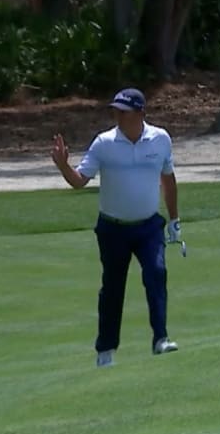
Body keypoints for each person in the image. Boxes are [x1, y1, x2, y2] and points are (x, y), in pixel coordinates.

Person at [50, 88, 181, 367]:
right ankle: (106, 350)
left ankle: (161, 338)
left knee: (156, 273)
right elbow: (79, 181)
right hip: (113, 228)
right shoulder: (104, 143)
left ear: (141, 113)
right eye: (116, 112)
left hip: (149, 226)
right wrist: (63, 166)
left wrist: (174, 220)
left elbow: (168, 180)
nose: (118, 117)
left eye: (124, 112)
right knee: (112, 287)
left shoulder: (160, 139)